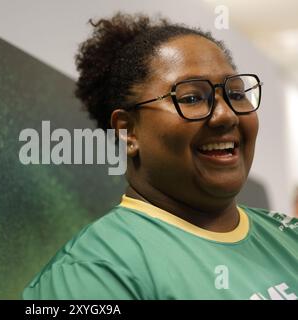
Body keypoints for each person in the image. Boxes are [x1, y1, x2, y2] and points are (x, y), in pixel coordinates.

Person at [23, 13, 298, 300]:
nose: (226, 115)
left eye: (236, 94)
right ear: (128, 130)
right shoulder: (92, 272)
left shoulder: (290, 238)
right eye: (191, 98)